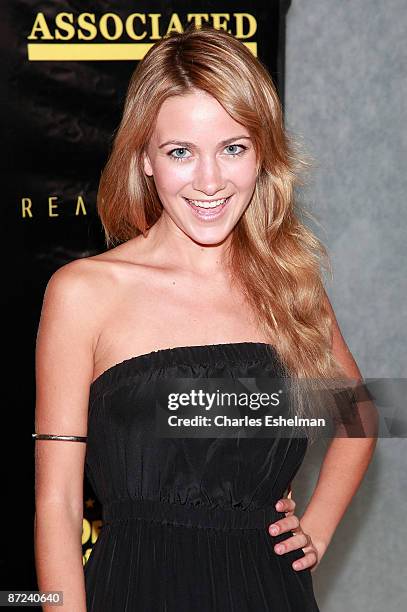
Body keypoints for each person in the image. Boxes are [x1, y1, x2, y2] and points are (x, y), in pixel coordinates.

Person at [33, 25, 377, 611]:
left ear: (262, 153)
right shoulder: (83, 293)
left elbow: (360, 414)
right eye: (181, 152)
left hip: (271, 593)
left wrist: (316, 528)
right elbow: (58, 505)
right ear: (144, 158)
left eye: (233, 148)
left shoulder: (290, 282)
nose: (211, 181)